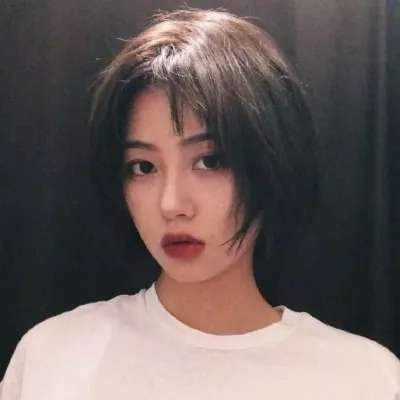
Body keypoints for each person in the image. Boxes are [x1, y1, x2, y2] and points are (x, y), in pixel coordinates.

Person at [1, 7, 399, 400]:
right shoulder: (53, 357)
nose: (171, 204)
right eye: (143, 167)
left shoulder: (364, 378)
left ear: (272, 162)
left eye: (210, 161)